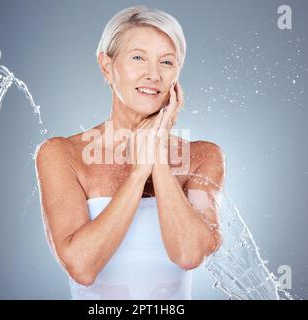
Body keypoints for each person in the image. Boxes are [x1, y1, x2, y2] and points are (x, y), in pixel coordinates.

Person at [35, 5, 226, 300]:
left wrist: (157, 161)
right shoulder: (62, 155)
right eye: (138, 57)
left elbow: (188, 254)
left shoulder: (203, 157)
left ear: (177, 75)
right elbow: (82, 267)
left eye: (167, 62)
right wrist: (139, 172)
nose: (153, 74)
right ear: (106, 66)